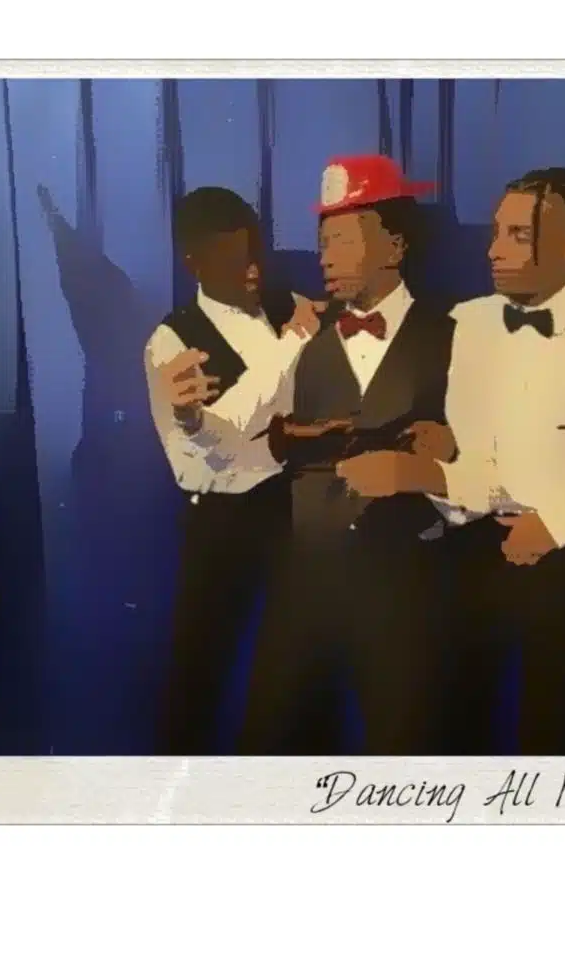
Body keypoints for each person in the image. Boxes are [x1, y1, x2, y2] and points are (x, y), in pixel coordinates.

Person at [344, 167, 565, 755]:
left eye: (518, 234)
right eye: (496, 232)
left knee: (552, 735)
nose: (493, 250)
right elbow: (465, 449)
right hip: (463, 554)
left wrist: (556, 525)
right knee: (449, 733)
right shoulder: (464, 323)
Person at [237, 155, 457, 756]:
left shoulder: (455, 337)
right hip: (303, 583)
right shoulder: (298, 335)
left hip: (406, 589)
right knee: (272, 747)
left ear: (395, 245)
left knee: (406, 750)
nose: (326, 258)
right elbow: (241, 437)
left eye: (343, 240)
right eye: (322, 243)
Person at [144, 187, 323, 755]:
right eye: (231, 259)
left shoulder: (291, 307)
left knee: (298, 664)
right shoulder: (171, 343)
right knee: (200, 667)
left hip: (295, 509)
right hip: (222, 520)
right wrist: (292, 345)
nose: (251, 271)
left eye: (254, 253)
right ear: (193, 263)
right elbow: (221, 442)